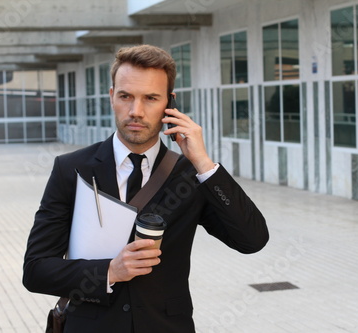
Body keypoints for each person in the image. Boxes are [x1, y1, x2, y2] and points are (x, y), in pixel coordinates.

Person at [23, 44, 269, 333]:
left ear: (170, 104)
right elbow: (36, 270)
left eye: (150, 98)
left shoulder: (190, 175)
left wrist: (203, 162)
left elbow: (252, 240)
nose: (136, 111)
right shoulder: (71, 169)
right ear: (112, 96)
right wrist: (109, 272)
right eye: (126, 96)